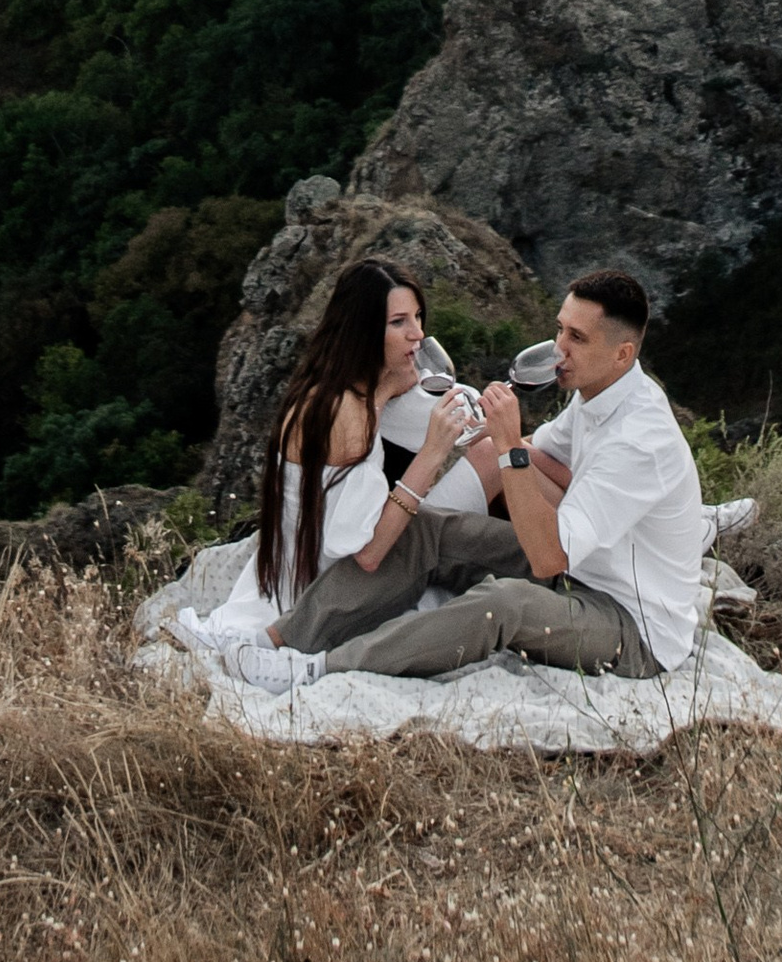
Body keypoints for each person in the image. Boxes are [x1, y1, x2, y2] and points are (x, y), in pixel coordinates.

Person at [222, 266, 700, 692]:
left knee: (503, 605)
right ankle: (279, 638)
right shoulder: (596, 394)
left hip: (631, 624)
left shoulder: (640, 440)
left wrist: (509, 447)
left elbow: (548, 552)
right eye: (560, 330)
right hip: (580, 568)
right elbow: (542, 454)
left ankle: (321, 669)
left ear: (622, 354)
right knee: (427, 529)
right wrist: (493, 435)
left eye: (578, 338)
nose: (559, 350)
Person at [175, 256, 477, 656]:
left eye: (418, 317)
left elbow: (470, 416)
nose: (418, 335)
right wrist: (432, 453)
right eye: (399, 322)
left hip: (317, 560)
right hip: (331, 583)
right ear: (363, 331)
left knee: (497, 452)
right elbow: (364, 552)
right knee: (490, 465)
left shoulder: (350, 386)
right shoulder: (345, 412)